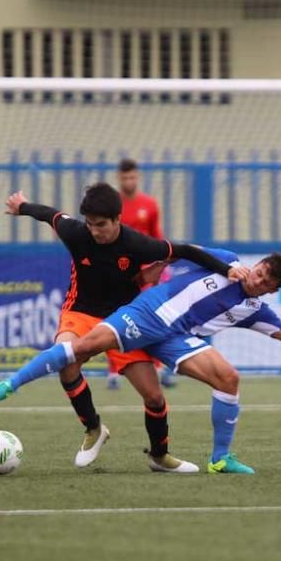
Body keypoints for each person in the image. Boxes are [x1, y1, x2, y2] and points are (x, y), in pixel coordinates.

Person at [0, 251, 281, 474]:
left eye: (266, 282)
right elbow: (180, 250)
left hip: (174, 339)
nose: (257, 280)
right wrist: (149, 274)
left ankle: (219, 458)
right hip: (146, 314)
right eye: (260, 271)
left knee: (228, 379)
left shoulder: (254, 309)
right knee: (81, 349)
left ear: (272, 289)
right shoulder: (228, 261)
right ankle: (11, 384)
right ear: (258, 264)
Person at [0, 182, 248, 473]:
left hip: (126, 320)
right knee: (66, 360)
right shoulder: (76, 233)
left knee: (153, 396)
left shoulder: (137, 244)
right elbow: (51, 215)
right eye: (89, 224)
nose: (94, 230)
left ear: (117, 220)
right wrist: (22, 207)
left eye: (101, 224)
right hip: (81, 311)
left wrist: (227, 270)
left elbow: (186, 251)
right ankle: (93, 429)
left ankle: (159, 456)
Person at [113, 157, 177, 389]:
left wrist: (161, 265)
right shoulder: (113, 205)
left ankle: (159, 368)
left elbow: (156, 237)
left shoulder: (149, 204)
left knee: (154, 317)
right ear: (119, 178)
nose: (129, 181)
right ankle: (114, 372)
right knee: (118, 316)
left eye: (132, 177)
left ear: (137, 177)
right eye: (125, 177)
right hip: (120, 271)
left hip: (146, 273)